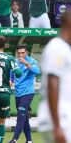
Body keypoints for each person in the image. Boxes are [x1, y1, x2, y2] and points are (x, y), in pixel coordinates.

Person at [38, 9, 71, 143]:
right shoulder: (57, 47)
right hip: (58, 119)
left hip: (62, 117)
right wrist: (57, 126)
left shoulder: (65, 48)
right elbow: (52, 84)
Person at [9, 44, 40, 143]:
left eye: (23, 53)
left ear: (26, 52)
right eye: (19, 53)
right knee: (24, 117)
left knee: (20, 115)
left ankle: (14, 139)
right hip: (18, 93)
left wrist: (26, 63)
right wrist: (11, 79)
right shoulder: (14, 61)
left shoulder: (31, 61)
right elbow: (11, 72)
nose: (21, 55)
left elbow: (37, 71)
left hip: (28, 92)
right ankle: (29, 140)